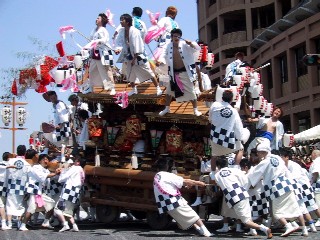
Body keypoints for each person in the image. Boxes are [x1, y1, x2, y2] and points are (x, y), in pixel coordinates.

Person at [247, 141, 307, 237]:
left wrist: (246, 183)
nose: (257, 154)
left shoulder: (265, 162)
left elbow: (254, 175)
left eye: (258, 152)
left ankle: (288, 226)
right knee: (295, 208)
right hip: (287, 185)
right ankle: (304, 230)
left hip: (275, 188)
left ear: (263, 152)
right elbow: (286, 171)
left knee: (277, 212)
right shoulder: (278, 158)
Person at [212, 157, 273, 238]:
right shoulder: (234, 170)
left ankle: (264, 229)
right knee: (247, 216)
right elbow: (244, 180)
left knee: (246, 221)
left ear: (218, 166)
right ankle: (253, 231)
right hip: (243, 193)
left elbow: (219, 186)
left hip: (234, 197)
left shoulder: (217, 175)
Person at [153, 156, 213, 237]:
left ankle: (200, 230)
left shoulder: (157, 175)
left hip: (164, 204)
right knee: (193, 215)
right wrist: (199, 183)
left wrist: (186, 185)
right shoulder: (168, 175)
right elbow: (185, 181)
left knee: (186, 218)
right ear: (169, 167)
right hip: (173, 201)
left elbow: (170, 185)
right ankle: (206, 232)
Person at [114, 14, 162, 96]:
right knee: (130, 73)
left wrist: (134, 58)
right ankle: (134, 89)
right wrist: (118, 49)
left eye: (123, 20)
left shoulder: (134, 31)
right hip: (129, 54)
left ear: (128, 22)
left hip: (139, 55)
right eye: (120, 19)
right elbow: (120, 42)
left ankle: (158, 88)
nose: (121, 21)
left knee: (148, 72)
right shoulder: (122, 31)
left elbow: (138, 45)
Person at [158, 28, 202, 116]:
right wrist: (161, 60)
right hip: (173, 73)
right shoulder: (168, 46)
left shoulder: (185, 44)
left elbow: (197, 48)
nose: (176, 37)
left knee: (191, 91)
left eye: (178, 36)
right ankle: (167, 108)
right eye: (175, 35)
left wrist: (192, 43)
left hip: (185, 72)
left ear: (180, 36)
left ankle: (195, 110)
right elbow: (163, 55)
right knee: (169, 92)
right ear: (171, 37)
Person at [280, 148, 320, 233]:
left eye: (281, 157)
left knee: (312, 206)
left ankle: (310, 226)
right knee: (304, 208)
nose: (280, 159)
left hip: (304, 187)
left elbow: (295, 177)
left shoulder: (293, 165)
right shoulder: (284, 165)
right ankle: (312, 226)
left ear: (287, 157)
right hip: (296, 187)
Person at [19, 154, 58, 231]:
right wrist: (55, 173)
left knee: (51, 204)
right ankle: (22, 225)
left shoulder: (46, 170)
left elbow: (49, 177)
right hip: (33, 191)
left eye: (47, 159)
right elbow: (42, 177)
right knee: (31, 208)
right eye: (44, 159)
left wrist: (57, 172)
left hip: (39, 193)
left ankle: (46, 222)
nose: (46, 161)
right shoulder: (35, 167)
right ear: (40, 160)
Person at [209, 90, 245, 171]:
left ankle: (213, 173)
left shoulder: (214, 105)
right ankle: (235, 167)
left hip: (215, 136)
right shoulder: (234, 111)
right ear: (231, 100)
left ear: (222, 97)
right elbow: (238, 127)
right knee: (241, 149)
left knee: (214, 155)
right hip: (227, 139)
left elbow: (210, 119)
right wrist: (240, 138)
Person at [87, 13, 116, 95]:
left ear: (102, 20)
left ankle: (112, 88)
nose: (96, 19)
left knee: (107, 71)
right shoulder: (94, 30)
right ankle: (91, 87)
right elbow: (90, 40)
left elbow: (105, 39)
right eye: (96, 18)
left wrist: (98, 41)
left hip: (103, 53)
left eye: (98, 18)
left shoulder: (103, 30)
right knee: (92, 71)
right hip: (94, 53)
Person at [54, 158, 85, 232]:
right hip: (75, 191)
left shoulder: (74, 168)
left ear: (78, 162)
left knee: (57, 209)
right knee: (68, 211)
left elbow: (63, 177)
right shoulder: (82, 170)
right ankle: (74, 226)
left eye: (76, 161)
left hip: (68, 190)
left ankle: (65, 224)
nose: (74, 162)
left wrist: (62, 171)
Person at [6, 145, 31, 229]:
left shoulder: (10, 161)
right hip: (22, 186)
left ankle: (9, 223)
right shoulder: (27, 163)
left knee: (9, 204)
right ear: (25, 152)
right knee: (20, 205)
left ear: (17, 151)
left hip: (11, 185)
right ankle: (19, 222)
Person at [0, 152, 10, 230]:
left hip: (3, 187)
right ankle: (3, 222)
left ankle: (3, 222)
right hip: (7, 187)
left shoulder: (3, 164)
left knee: (2, 205)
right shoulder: (5, 164)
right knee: (3, 205)